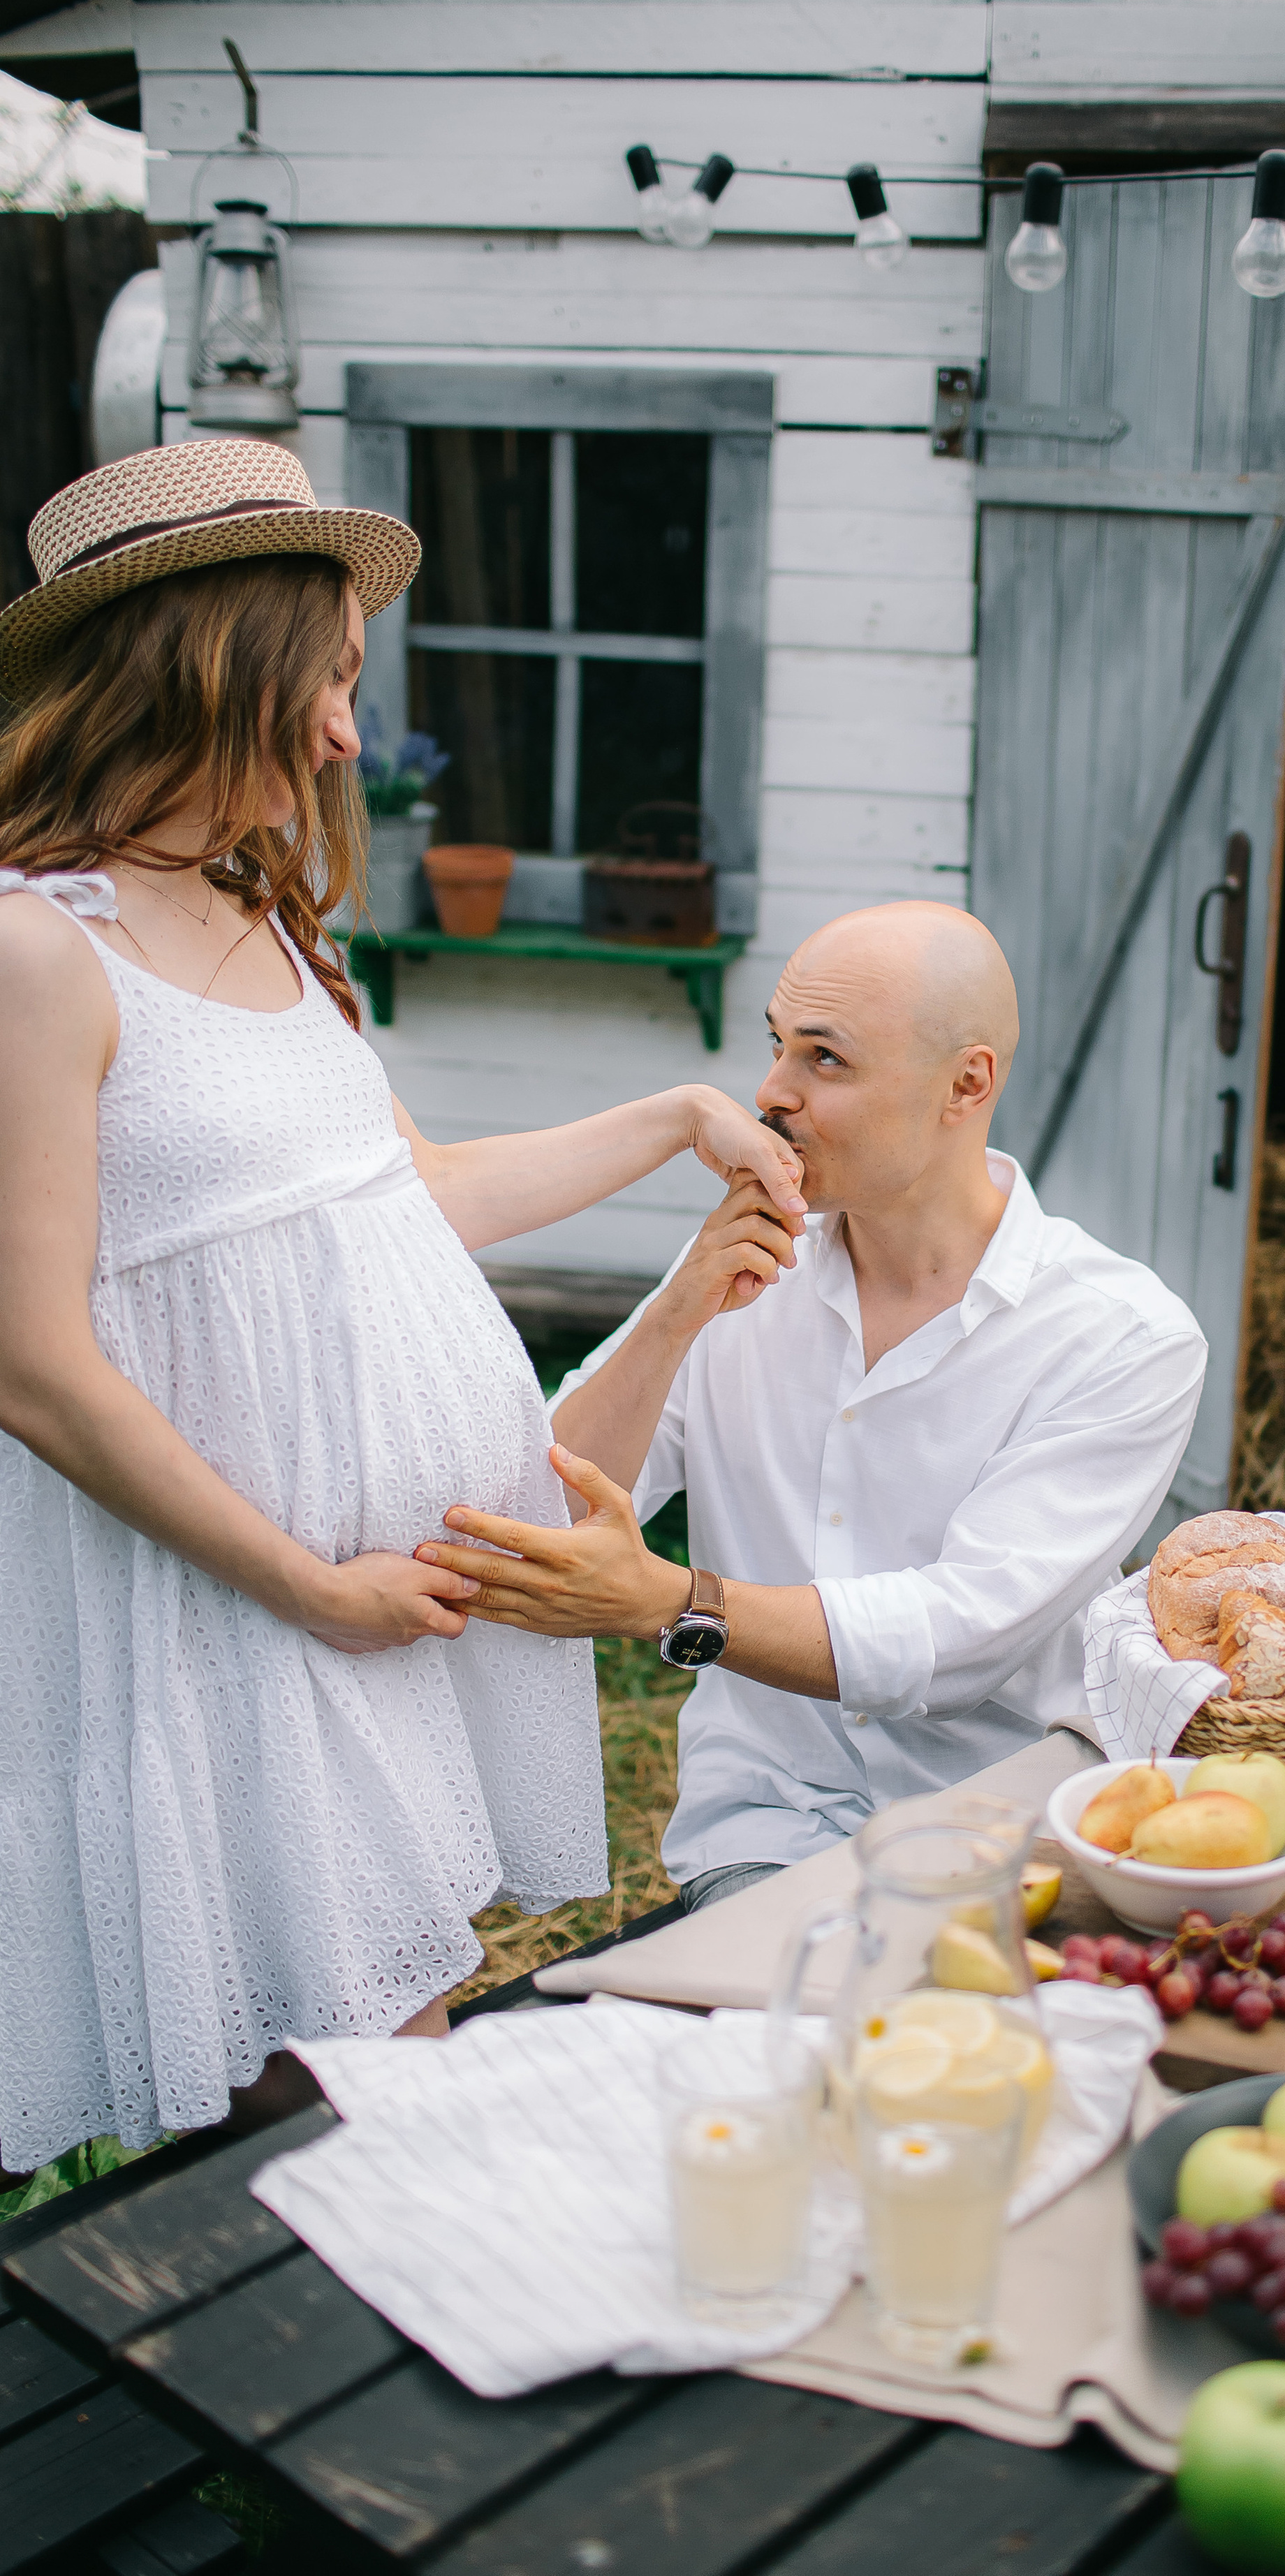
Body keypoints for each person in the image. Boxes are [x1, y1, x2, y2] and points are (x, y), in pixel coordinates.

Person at [0, 439, 805, 2172]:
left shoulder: (263, 919)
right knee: (353, 2080)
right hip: (229, 1608)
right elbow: (33, 1364)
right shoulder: (37, 952)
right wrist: (309, 1586)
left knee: (350, 2075)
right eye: (327, 683)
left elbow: (406, 1194)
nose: (346, 737)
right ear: (206, 667)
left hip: (361, 1608)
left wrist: (678, 1119)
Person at [416, 901, 1206, 1911]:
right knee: (776, 1989)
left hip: (1016, 1836)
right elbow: (540, 1518)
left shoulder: (1124, 1336)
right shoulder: (738, 1272)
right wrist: (674, 1318)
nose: (771, 1094)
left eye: (825, 1058)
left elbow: (961, 1635)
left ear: (967, 1085)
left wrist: (674, 1603)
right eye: (777, 1045)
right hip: (767, 1826)